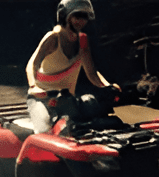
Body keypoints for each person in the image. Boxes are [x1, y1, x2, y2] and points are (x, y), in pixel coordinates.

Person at [26, 0, 120, 133]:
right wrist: (33, 87)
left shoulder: (83, 40)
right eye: (78, 15)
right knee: (44, 130)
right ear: (66, 15)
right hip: (42, 99)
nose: (82, 20)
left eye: (85, 16)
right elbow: (32, 64)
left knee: (86, 126)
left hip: (66, 99)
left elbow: (91, 72)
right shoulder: (53, 38)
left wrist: (107, 86)